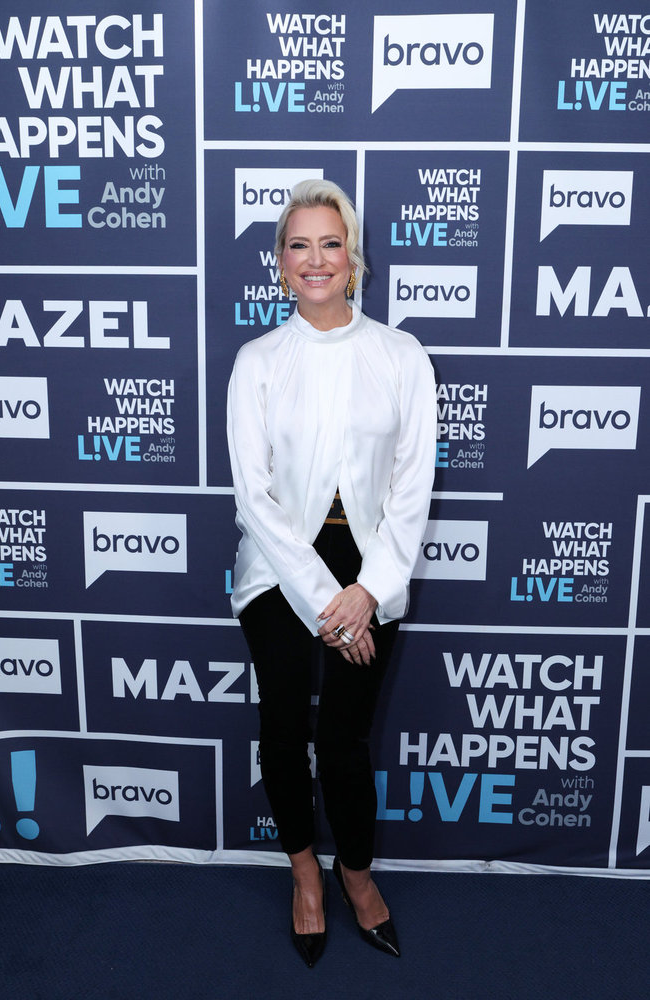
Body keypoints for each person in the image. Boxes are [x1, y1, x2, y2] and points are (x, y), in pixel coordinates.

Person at [226, 178, 436, 967]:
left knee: (343, 741)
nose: (315, 259)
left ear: (354, 258)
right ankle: (303, 875)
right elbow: (256, 497)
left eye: (329, 243)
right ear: (279, 264)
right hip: (278, 571)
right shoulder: (257, 363)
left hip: (370, 572)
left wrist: (367, 593)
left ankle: (356, 875)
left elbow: (412, 489)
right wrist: (327, 603)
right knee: (282, 731)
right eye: (297, 245)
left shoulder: (400, 355)